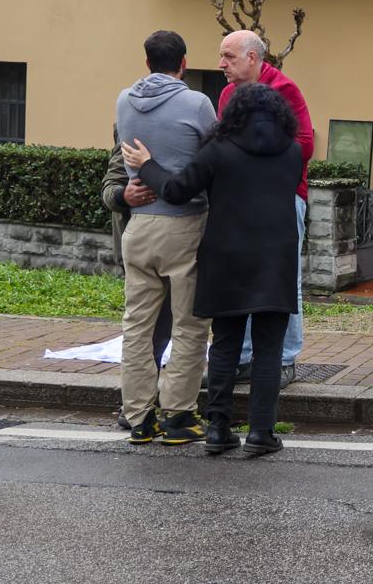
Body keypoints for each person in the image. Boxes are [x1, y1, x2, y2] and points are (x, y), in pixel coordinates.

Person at [123, 83, 304, 458]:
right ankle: (261, 432)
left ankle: (219, 428)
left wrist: (147, 166)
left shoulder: (219, 151)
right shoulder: (292, 152)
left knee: (224, 345)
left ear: (234, 114)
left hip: (226, 259)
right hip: (275, 259)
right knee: (268, 351)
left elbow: (175, 190)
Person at [112, 30, 218, 445]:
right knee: (190, 324)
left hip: (138, 226)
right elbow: (212, 156)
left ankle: (138, 416)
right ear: (185, 63)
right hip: (185, 224)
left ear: (146, 63)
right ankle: (178, 416)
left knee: (137, 325)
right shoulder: (197, 103)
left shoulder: (124, 100)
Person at [217, 30, 314, 375]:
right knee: (242, 277)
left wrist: (257, 165)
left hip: (283, 199)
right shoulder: (228, 94)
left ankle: (285, 360)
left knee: (285, 280)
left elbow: (305, 144)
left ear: (253, 58)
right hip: (241, 200)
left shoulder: (285, 89)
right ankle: (243, 359)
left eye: (228, 56)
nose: (221, 64)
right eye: (222, 56)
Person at [101, 146, 172, 377]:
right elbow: (109, 188)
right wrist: (124, 195)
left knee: (171, 325)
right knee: (144, 327)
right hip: (138, 248)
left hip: (180, 245)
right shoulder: (131, 132)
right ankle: (141, 397)